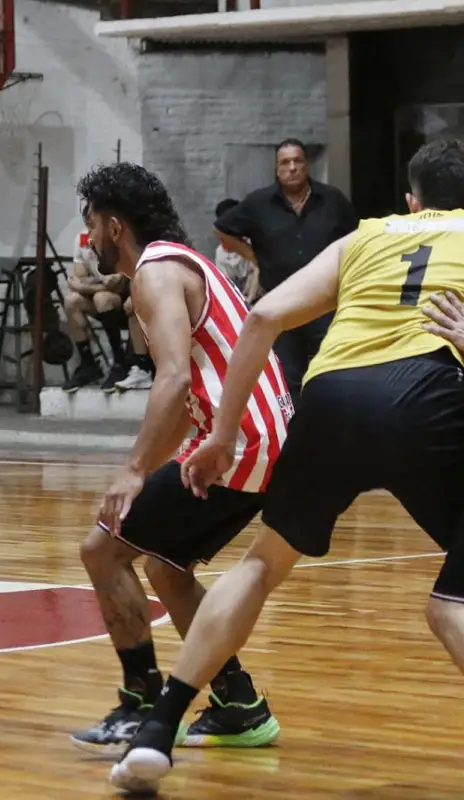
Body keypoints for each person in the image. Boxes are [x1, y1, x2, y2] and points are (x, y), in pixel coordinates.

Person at [110, 138, 464, 795]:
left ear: (412, 201)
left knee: (261, 565)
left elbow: (265, 313)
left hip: (331, 398)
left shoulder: (368, 236)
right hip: (431, 395)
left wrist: (220, 435)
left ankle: (158, 733)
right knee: (454, 599)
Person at [68, 162, 289, 752]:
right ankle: (237, 703)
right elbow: (186, 397)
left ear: (115, 226)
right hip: (260, 440)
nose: (88, 240)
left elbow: (168, 380)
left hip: (237, 444)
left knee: (102, 550)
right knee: (165, 564)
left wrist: (135, 470)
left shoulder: (155, 272)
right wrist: (145, 466)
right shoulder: (185, 263)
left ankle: (139, 702)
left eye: (91, 225)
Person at [215, 139, 357, 403]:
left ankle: (327, 432)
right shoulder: (259, 203)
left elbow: (356, 239)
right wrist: (252, 257)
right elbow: (222, 228)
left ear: (307, 164)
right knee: (287, 376)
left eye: (298, 161)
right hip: (280, 304)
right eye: (285, 162)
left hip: (325, 304)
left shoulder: (332, 200)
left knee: (330, 372)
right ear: (276, 168)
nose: (292, 168)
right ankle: (293, 438)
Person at [61, 232, 131, 392]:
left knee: (102, 298)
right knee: (72, 301)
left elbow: (120, 283)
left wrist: (85, 285)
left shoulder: (119, 234)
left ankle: (120, 363)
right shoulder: (83, 237)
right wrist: (96, 284)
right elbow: (79, 277)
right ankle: (88, 365)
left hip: (127, 302)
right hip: (100, 300)